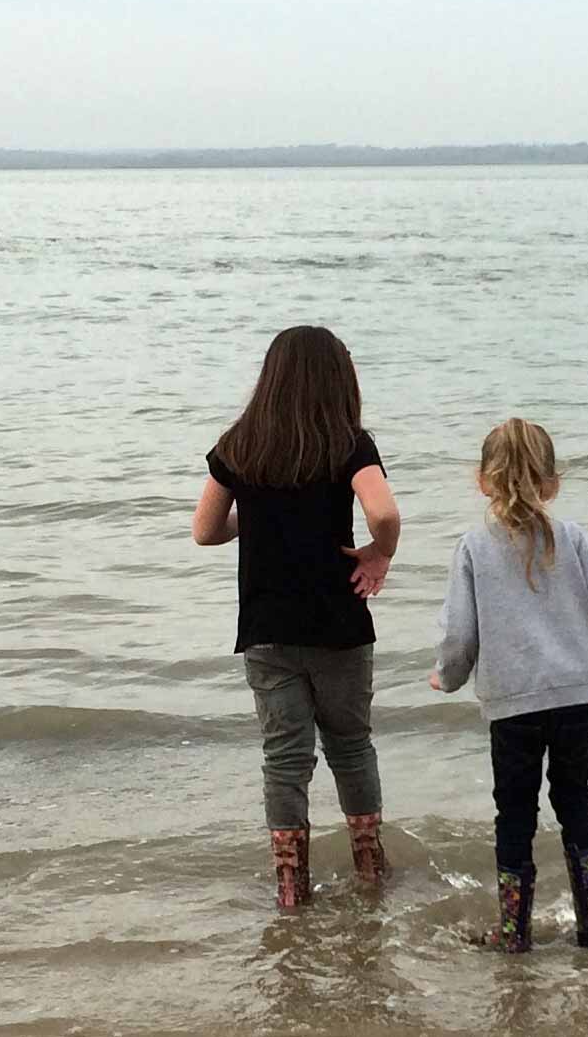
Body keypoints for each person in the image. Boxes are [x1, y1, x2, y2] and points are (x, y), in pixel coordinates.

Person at [429, 418, 588, 952]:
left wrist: (447, 677)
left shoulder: (473, 546)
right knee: (574, 801)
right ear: (552, 482)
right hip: (575, 696)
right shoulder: (573, 539)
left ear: (482, 480)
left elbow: (459, 632)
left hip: (511, 702)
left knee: (514, 812)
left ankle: (514, 932)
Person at [192, 325, 401, 912]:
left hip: (267, 628)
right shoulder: (348, 443)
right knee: (352, 747)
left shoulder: (240, 445)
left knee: (284, 758)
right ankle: (369, 870)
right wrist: (379, 553)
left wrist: (253, 523)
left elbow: (205, 531)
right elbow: (383, 510)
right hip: (338, 623)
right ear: (337, 379)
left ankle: (290, 888)